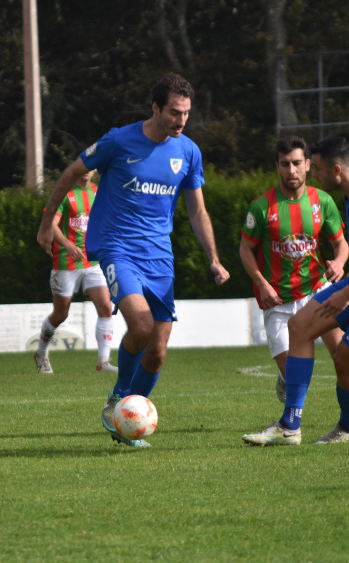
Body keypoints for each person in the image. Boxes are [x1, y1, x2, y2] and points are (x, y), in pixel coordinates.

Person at [37, 72, 230, 447]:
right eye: (175, 112)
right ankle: (118, 398)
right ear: (155, 108)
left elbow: (198, 212)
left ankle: (127, 426)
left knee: (156, 353)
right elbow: (70, 173)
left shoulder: (188, 152)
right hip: (116, 247)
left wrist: (214, 258)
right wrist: (47, 223)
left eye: (187, 113)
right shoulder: (118, 140)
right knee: (140, 326)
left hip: (159, 256)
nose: (182, 121)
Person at [243, 135, 349, 445]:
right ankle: (290, 426)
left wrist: (345, 292)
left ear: (337, 169)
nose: (315, 175)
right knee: (300, 327)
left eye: (319, 169)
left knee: (343, 360)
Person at [33, 169, 117, 374]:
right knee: (61, 314)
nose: (87, 171)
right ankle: (41, 353)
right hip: (65, 262)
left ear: (96, 170)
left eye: (91, 167)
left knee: (106, 307)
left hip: (92, 261)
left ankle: (103, 361)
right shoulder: (65, 194)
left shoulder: (99, 192)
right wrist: (68, 246)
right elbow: (51, 224)